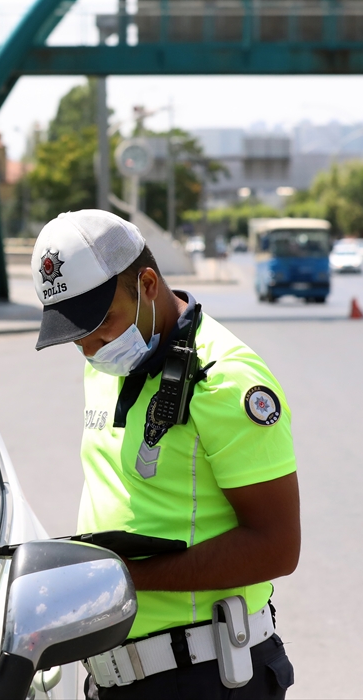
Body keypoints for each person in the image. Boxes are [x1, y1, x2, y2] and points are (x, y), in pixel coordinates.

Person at [31, 210, 299, 699]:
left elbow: (277, 545)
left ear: (147, 283)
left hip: (206, 676)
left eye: (101, 322)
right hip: (117, 677)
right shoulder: (106, 362)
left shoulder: (225, 378)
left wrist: (125, 578)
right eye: (75, 334)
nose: (91, 346)